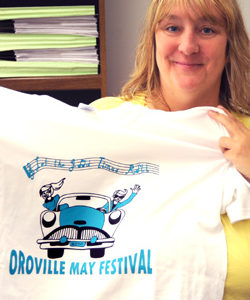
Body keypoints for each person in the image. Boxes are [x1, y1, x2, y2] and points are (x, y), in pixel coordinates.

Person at [91, 0, 250, 299]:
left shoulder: (248, 139)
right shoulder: (106, 124)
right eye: (173, 27)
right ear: (153, 39)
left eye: (207, 29)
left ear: (230, 46)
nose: (188, 46)